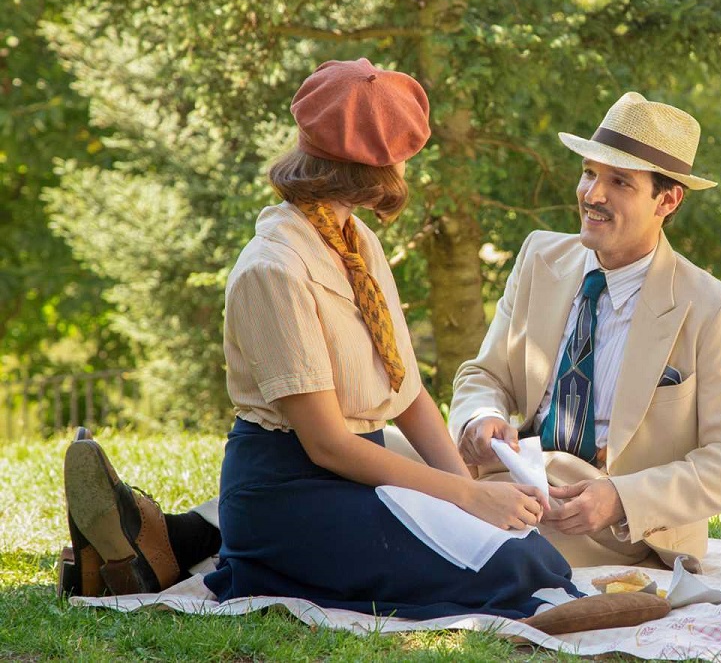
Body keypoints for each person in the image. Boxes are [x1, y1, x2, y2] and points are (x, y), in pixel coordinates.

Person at [59, 58, 580, 617]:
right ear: (371, 169)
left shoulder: (359, 242)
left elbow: (408, 397)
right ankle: (226, 555)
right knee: (515, 572)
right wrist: (468, 495)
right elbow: (326, 444)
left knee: (540, 558)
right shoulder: (274, 269)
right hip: (291, 493)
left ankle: (171, 542)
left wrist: (469, 500)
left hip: (358, 476)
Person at [451, 91, 721, 571]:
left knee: (441, 524)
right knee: (377, 452)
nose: (592, 195)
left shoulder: (713, 309)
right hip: (518, 475)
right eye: (588, 173)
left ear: (668, 199)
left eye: (619, 181)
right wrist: (479, 417)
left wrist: (621, 498)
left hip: (613, 521)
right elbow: (486, 375)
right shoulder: (540, 258)